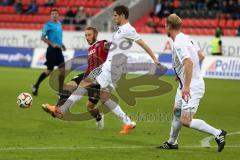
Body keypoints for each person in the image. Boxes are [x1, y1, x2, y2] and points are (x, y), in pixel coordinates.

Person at [42, 5, 161, 134]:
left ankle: (61, 110)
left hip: (110, 67)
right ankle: (128, 122)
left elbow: (142, 43)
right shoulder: (121, 30)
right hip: (112, 68)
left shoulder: (128, 29)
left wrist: (154, 58)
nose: (113, 17)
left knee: (84, 83)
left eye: (115, 15)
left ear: (122, 15)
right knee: (105, 98)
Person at [157, 14, 226, 152]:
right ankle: (172, 142)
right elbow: (201, 56)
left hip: (192, 87)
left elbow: (188, 61)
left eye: (165, 25)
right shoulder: (187, 38)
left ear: (168, 26)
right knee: (177, 112)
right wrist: (183, 76)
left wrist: (188, 84)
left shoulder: (178, 43)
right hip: (186, 83)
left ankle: (218, 133)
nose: (164, 27)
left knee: (186, 120)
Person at [44, 27, 108, 129]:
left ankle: (99, 117)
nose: (87, 37)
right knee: (70, 85)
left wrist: (116, 42)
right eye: (86, 35)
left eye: (89, 35)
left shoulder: (101, 44)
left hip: (98, 78)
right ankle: (57, 109)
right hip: (87, 75)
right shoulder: (91, 48)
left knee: (90, 107)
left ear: (95, 34)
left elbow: (109, 45)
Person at [32, 8, 66, 96]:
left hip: (59, 50)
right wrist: (52, 44)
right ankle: (36, 85)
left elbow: (58, 38)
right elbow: (42, 37)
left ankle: (60, 91)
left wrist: (62, 45)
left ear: (58, 15)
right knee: (49, 71)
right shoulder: (47, 25)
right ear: (50, 16)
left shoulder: (59, 24)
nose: (54, 15)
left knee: (62, 70)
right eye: (53, 14)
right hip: (51, 51)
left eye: (56, 13)